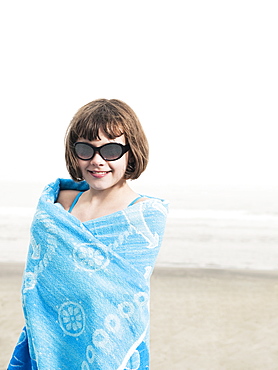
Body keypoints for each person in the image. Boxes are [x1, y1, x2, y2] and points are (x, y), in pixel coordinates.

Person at [8, 99, 168, 370]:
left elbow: (118, 293)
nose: (97, 161)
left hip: (108, 346)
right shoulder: (56, 204)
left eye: (111, 150)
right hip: (47, 340)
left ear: (131, 152)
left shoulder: (144, 215)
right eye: (86, 149)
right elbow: (38, 282)